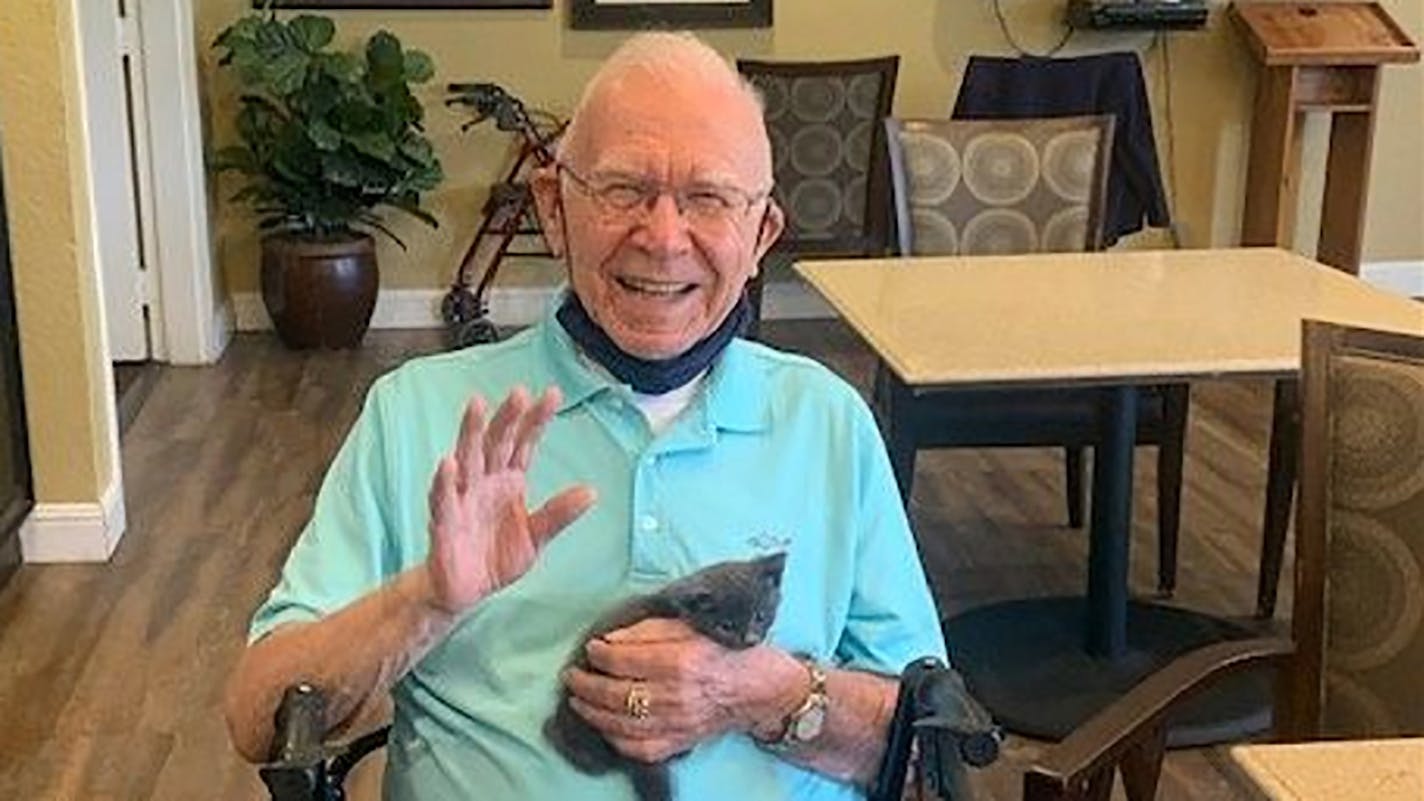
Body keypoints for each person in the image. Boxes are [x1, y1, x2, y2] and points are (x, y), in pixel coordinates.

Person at [224, 31, 946, 801]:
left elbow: (928, 748)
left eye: (707, 198)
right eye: (623, 189)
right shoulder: (420, 414)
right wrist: (423, 601)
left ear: (761, 233)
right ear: (554, 208)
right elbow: (257, 716)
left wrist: (763, 694)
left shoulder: (827, 423)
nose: (663, 237)